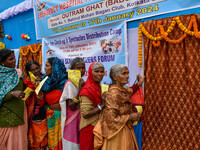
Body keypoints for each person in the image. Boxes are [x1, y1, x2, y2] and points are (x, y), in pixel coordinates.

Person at [93, 64, 144, 150]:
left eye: (127, 73)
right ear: (115, 76)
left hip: (124, 129)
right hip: (117, 134)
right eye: (124, 73)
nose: (127, 76)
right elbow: (110, 118)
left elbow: (129, 91)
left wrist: (139, 83)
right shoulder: (113, 94)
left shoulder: (121, 90)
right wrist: (130, 117)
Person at [0, 49, 28, 150]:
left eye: (14, 58)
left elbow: (21, 89)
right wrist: (11, 94)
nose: (14, 61)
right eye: (10, 59)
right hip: (5, 117)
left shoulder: (18, 73)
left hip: (20, 112)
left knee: (20, 144)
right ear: (2, 62)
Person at [41, 57, 68, 150]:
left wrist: (63, 106)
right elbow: (41, 101)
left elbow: (72, 100)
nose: (45, 68)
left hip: (63, 117)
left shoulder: (65, 82)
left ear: (55, 68)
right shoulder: (45, 81)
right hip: (49, 116)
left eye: (47, 66)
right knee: (51, 142)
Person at [60, 57, 86, 150]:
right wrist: (79, 89)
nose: (81, 70)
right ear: (73, 69)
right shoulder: (70, 83)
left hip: (80, 119)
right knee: (72, 145)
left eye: (83, 68)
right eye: (78, 68)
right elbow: (71, 106)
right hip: (71, 120)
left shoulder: (82, 82)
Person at [79, 62, 105, 150]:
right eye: (96, 71)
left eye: (102, 72)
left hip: (98, 127)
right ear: (90, 72)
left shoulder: (99, 87)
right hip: (88, 128)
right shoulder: (87, 90)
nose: (100, 74)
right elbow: (85, 114)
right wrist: (101, 106)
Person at [24, 61, 48, 149]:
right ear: (29, 72)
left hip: (44, 111)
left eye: (37, 68)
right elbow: (25, 97)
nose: (35, 71)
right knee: (34, 137)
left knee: (45, 136)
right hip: (32, 112)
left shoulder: (46, 79)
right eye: (32, 70)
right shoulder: (27, 82)